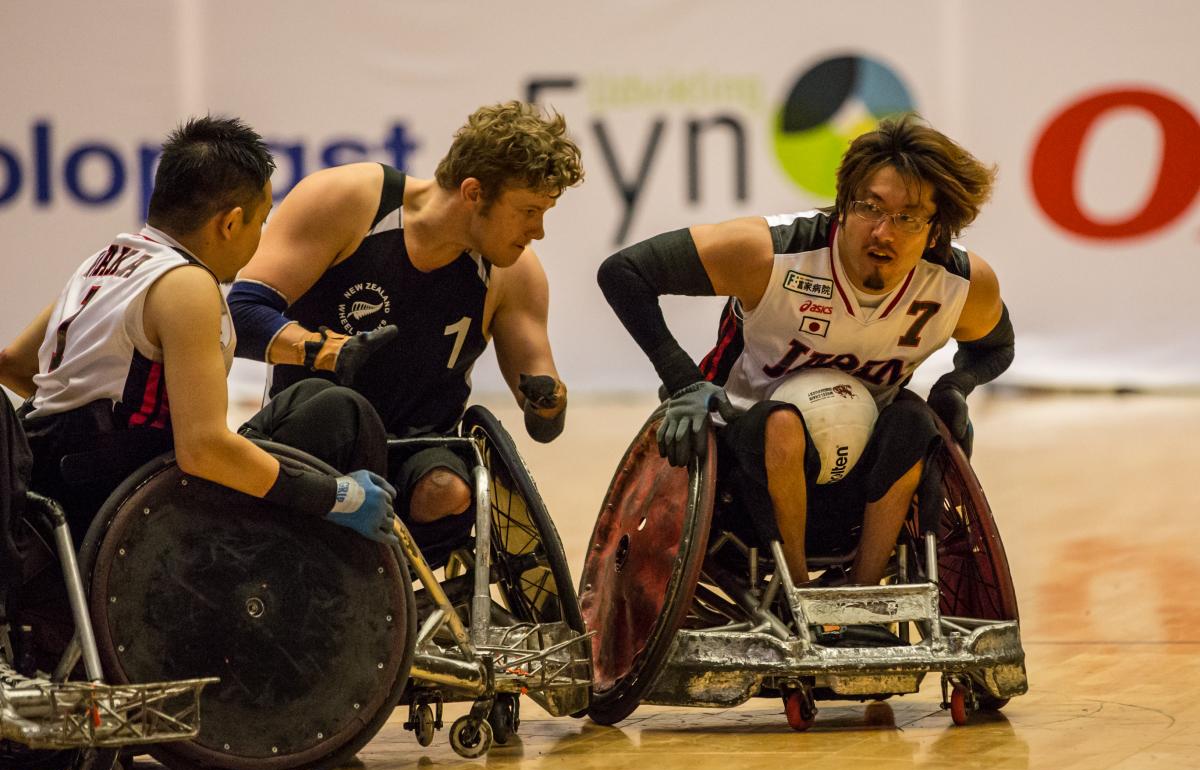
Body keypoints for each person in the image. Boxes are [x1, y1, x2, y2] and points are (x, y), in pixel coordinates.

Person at [597, 113, 1013, 587]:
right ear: (843, 205)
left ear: (936, 231)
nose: (882, 232)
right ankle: (798, 600)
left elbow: (995, 349)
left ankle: (861, 596)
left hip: (857, 490)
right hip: (736, 477)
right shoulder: (769, 253)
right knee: (781, 425)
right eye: (869, 208)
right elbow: (623, 272)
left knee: (914, 421)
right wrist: (684, 382)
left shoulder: (962, 285)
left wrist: (956, 387)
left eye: (907, 218)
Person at [0, 116, 396, 567]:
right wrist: (335, 495)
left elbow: (13, 362)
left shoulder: (108, 261)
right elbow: (203, 450)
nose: (261, 237)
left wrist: (88, 423)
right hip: (130, 509)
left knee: (318, 401)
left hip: (59, 486)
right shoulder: (185, 285)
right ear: (229, 224)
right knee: (343, 417)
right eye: (260, 222)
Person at [228, 101, 584, 563]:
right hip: (318, 436)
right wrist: (326, 351)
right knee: (341, 408)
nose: (538, 231)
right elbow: (241, 313)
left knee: (450, 489)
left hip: (419, 450)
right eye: (529, 210)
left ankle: (385, 585)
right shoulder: (350, 201)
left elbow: (545, 420)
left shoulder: (514, 274)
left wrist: (549, 398)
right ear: (474, 192)